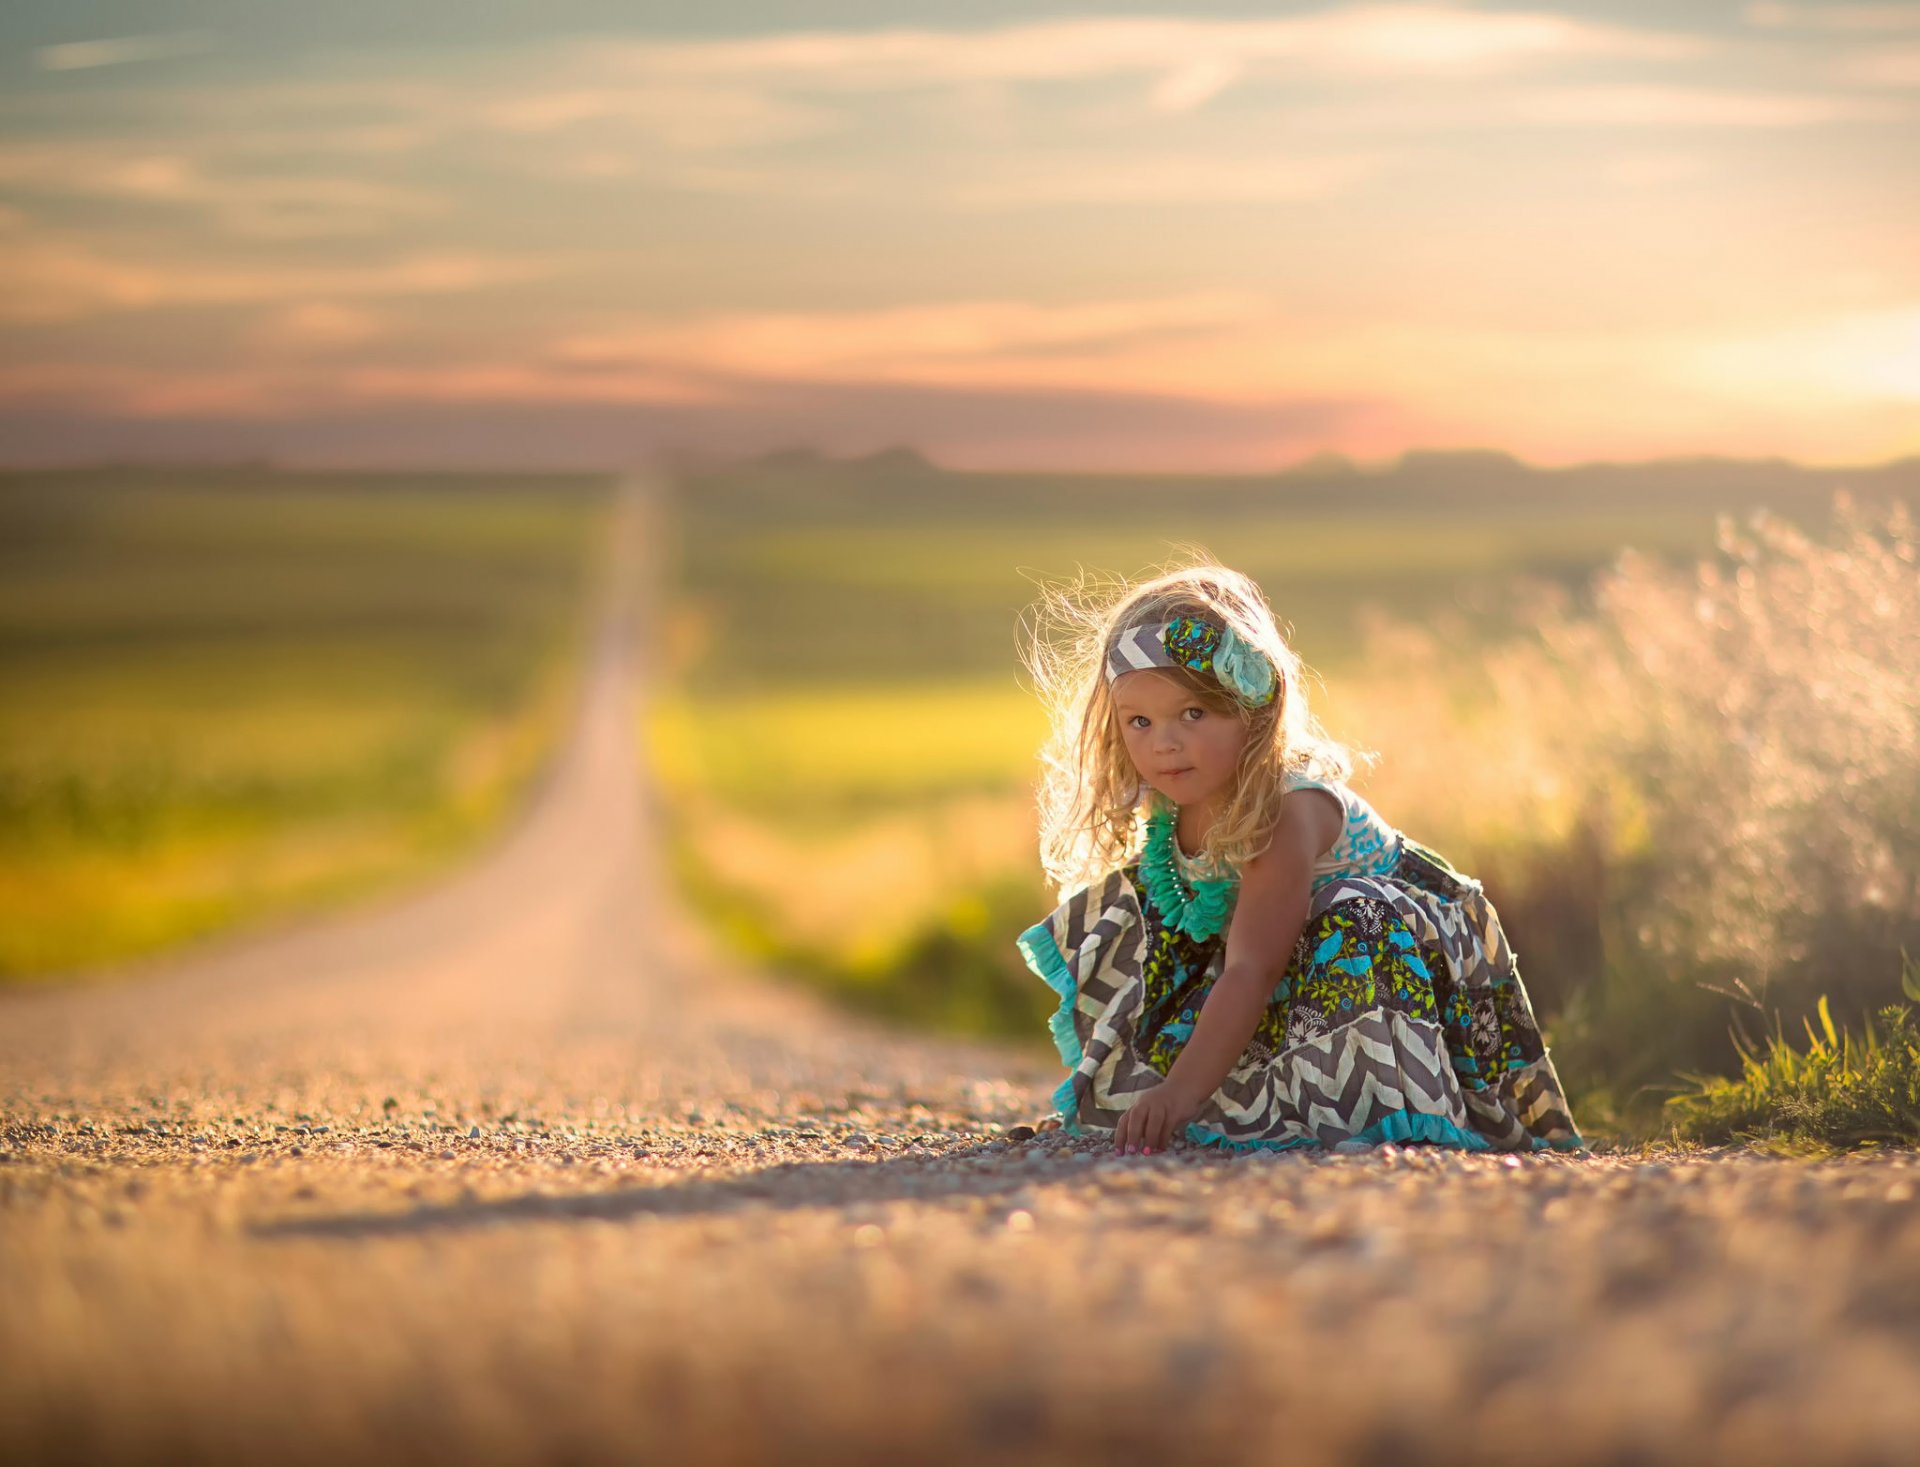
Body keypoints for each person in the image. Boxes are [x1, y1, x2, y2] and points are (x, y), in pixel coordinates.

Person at [1016, 561, 1582, 1156]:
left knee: (1353, 914)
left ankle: (1376, 1106)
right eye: (1140, 721)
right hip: (1274, 953)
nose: (1164, 742)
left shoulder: (1286, 809)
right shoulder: (1176, 802)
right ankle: (1205, 1094)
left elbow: (1253, 969)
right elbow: (1237, 956)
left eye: (1193, 714)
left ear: (1254, 708)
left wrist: (1180, 1094)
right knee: (1146, 905)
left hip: (1394, 962)